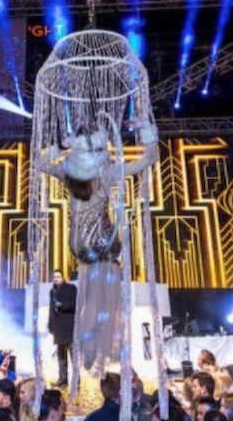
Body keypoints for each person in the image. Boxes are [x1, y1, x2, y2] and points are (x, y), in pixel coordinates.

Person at [38, 119, 158, 371]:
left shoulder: (81, 173)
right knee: (100, 298)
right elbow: (150, 158)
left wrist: (62, 146)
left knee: (95, 297)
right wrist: (145, 129)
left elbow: (38, 161)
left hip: (87, 243)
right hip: (97, 243)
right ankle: (97, 344)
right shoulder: (99, 173)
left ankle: (93, 345)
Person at [48, 270, 76, 387]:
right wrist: (50, 325)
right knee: (61, 357)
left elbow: (75, 304)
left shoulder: (71, 288)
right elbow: (51, 309)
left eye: (58, 277)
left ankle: (76, 381)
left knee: (74, 356)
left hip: (69, 327)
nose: (56, 279)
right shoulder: (52, 291)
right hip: (58, 328)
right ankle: (63, 380)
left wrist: (62, 305)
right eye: (54, 277)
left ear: (63, 278)